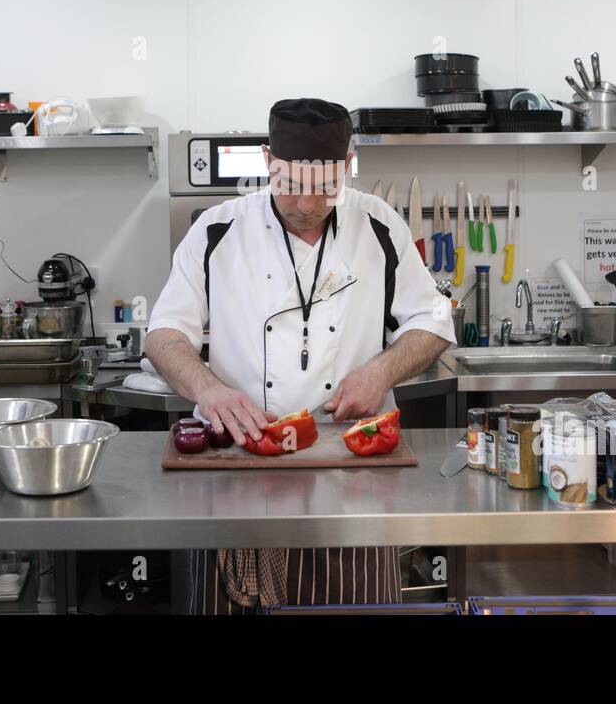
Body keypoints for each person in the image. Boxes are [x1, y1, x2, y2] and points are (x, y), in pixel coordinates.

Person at [145, 97, 455, 613]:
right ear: (268, 161)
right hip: (236, 470)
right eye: (292, 186)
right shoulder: (218, 230)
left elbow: (433, 322)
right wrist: (208, 389)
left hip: (352, 477)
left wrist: (381, 371)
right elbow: (163, 333)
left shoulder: (378, 226)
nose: (308, 205)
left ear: (348, 168)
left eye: (326, 187)